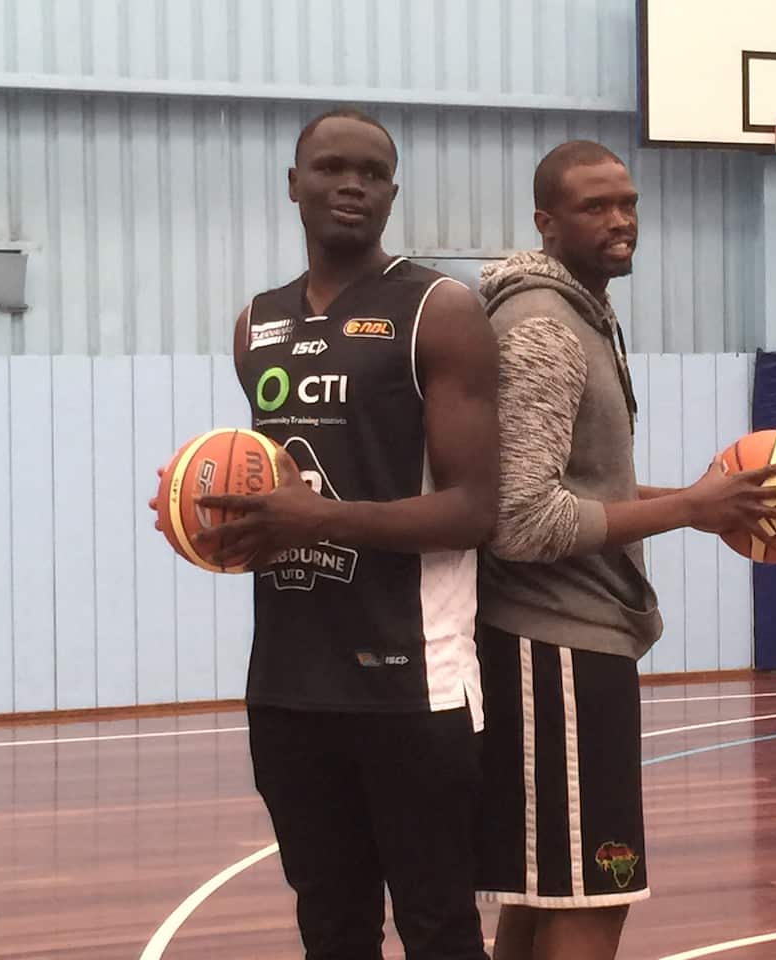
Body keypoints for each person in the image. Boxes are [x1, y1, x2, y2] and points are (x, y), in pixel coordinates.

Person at [151, 108, 497, 960]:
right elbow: (270, 486)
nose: (352, 185)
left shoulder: (439, 311)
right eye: (332, 167)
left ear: (392, 193)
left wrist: (319, 517)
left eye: (373, 174)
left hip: (413, 677)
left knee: (439, 925)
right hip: (289, 678)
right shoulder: (257, 325)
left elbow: (476, 510)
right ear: (293, 183)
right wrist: (209, 514)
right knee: (331, 927)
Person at [472, 140, 776, 960]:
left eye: (627, 202)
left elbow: (579, 486)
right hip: (552, 643)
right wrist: (689, 504)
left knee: (548, 887)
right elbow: (522, 520)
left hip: (562, 644)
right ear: (546, 223)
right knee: (598, 888)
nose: (621, 220)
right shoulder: (545, 329)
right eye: (595, 206)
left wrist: (698, 506)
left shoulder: (576, 311)